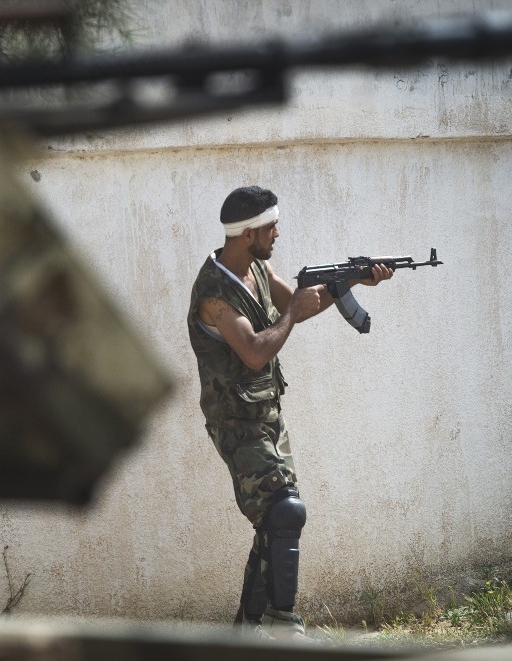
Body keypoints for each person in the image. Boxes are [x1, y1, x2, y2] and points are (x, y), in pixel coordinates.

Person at [186, 186, 392, 641]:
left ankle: (246, 631)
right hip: (235, 422)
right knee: (284, 511)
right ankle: (284, 623)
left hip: (266, 414)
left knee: (275, 522)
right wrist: (294, 313)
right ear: (245, 234)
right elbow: (257, 351)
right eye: (270, 226)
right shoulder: (214, 295)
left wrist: (353, 280)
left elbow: (296, 302)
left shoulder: (258, 266)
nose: (277, 233)